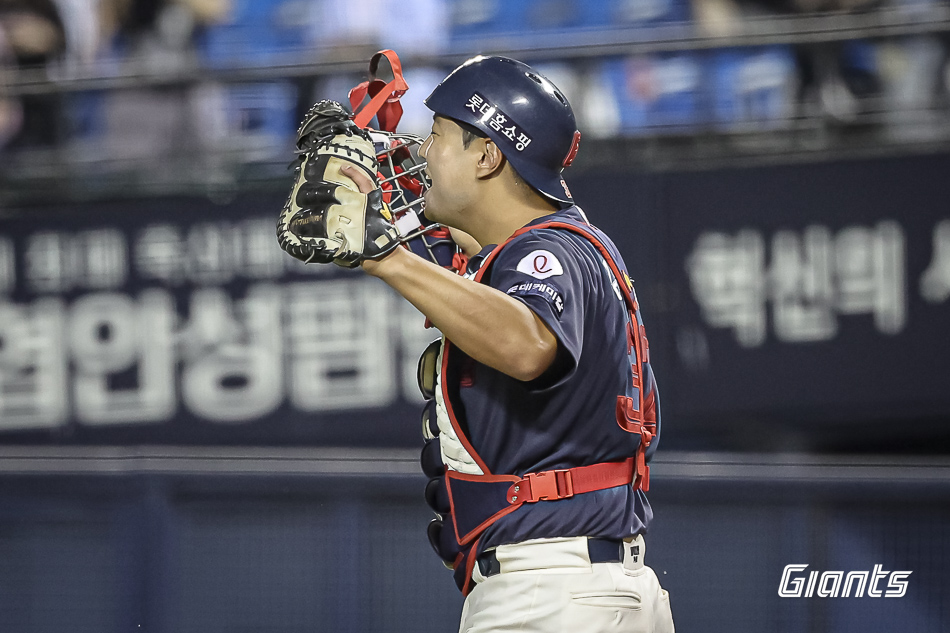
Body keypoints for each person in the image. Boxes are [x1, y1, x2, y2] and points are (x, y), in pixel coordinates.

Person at [342, 55, 673, 633]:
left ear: (488, 156)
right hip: (584, 584)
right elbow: (461, 278)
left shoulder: (548, 252)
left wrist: (385, 257)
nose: (423, 152)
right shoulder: (545, 250)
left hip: (553, 592)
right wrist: (373, 203)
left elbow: (527, 345)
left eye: (438, 136)